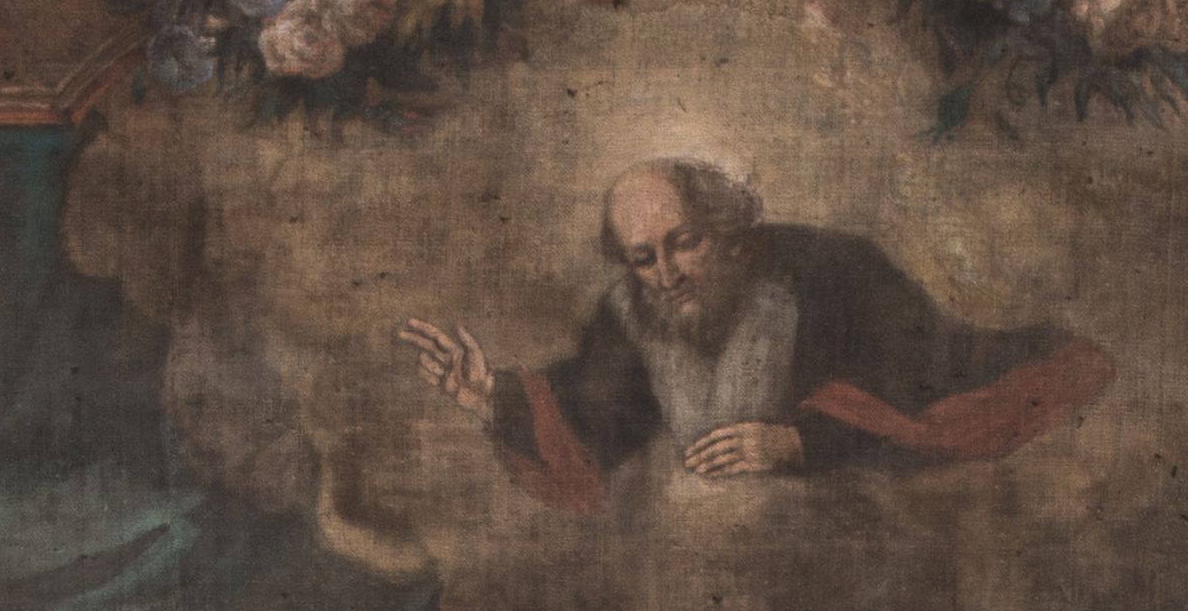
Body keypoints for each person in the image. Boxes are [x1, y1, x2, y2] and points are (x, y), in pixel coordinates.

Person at [397, 158, 1112, 514]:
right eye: (643, 258)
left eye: (685, 244)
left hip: (874, 523)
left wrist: (798, 443)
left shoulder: (833, 270)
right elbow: (597, 420)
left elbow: (911, 386)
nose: (666, 275)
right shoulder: (630, 312)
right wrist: (492, 399)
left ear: (730, 234)